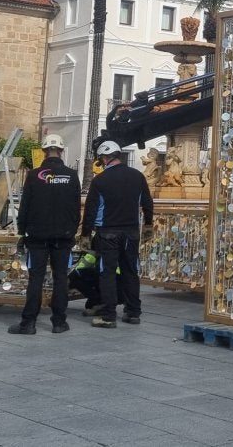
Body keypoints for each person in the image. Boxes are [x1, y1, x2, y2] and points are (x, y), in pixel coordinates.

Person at [9, 134, 81, 335]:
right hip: (63, 236)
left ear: (43, 151)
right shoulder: (71, 175)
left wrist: (22, 232)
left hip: (37, 235)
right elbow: (76, 208)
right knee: (60, 278)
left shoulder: (34, 175)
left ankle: (28, 323)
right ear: (62, 150)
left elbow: (24, 208)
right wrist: (72, 229)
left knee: (36, 278)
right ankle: (59, 322)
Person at [81, 140, 153, 328]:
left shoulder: (100, 180)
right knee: (131, 271)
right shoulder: (137, 176)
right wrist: (148, 225)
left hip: (108, 234)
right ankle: (133, 312)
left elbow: (90, 210)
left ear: (105, 157)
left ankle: (108, 315)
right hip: (131, 233)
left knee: (108, 273)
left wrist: (85, 234)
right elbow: (147, 202)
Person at [69, 250, 125, 315]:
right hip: (122, 285)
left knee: (75, 276)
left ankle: (103, 307)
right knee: (90, 305)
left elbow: (85, 264)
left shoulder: (103, 243)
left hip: (112, 282)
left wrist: (71, 277)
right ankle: (100, 303)